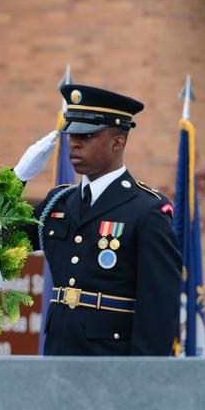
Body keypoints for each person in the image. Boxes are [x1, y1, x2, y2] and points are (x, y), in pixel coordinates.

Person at [15, 84, 180, 356]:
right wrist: (16, 179)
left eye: (87, 135)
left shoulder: (147, 210)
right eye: (71, 135)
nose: (75, 143)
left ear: (118, 142)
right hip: (59, 357)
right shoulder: (58, 203)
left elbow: (159, 307)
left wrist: (142, 379)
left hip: (112, 364)